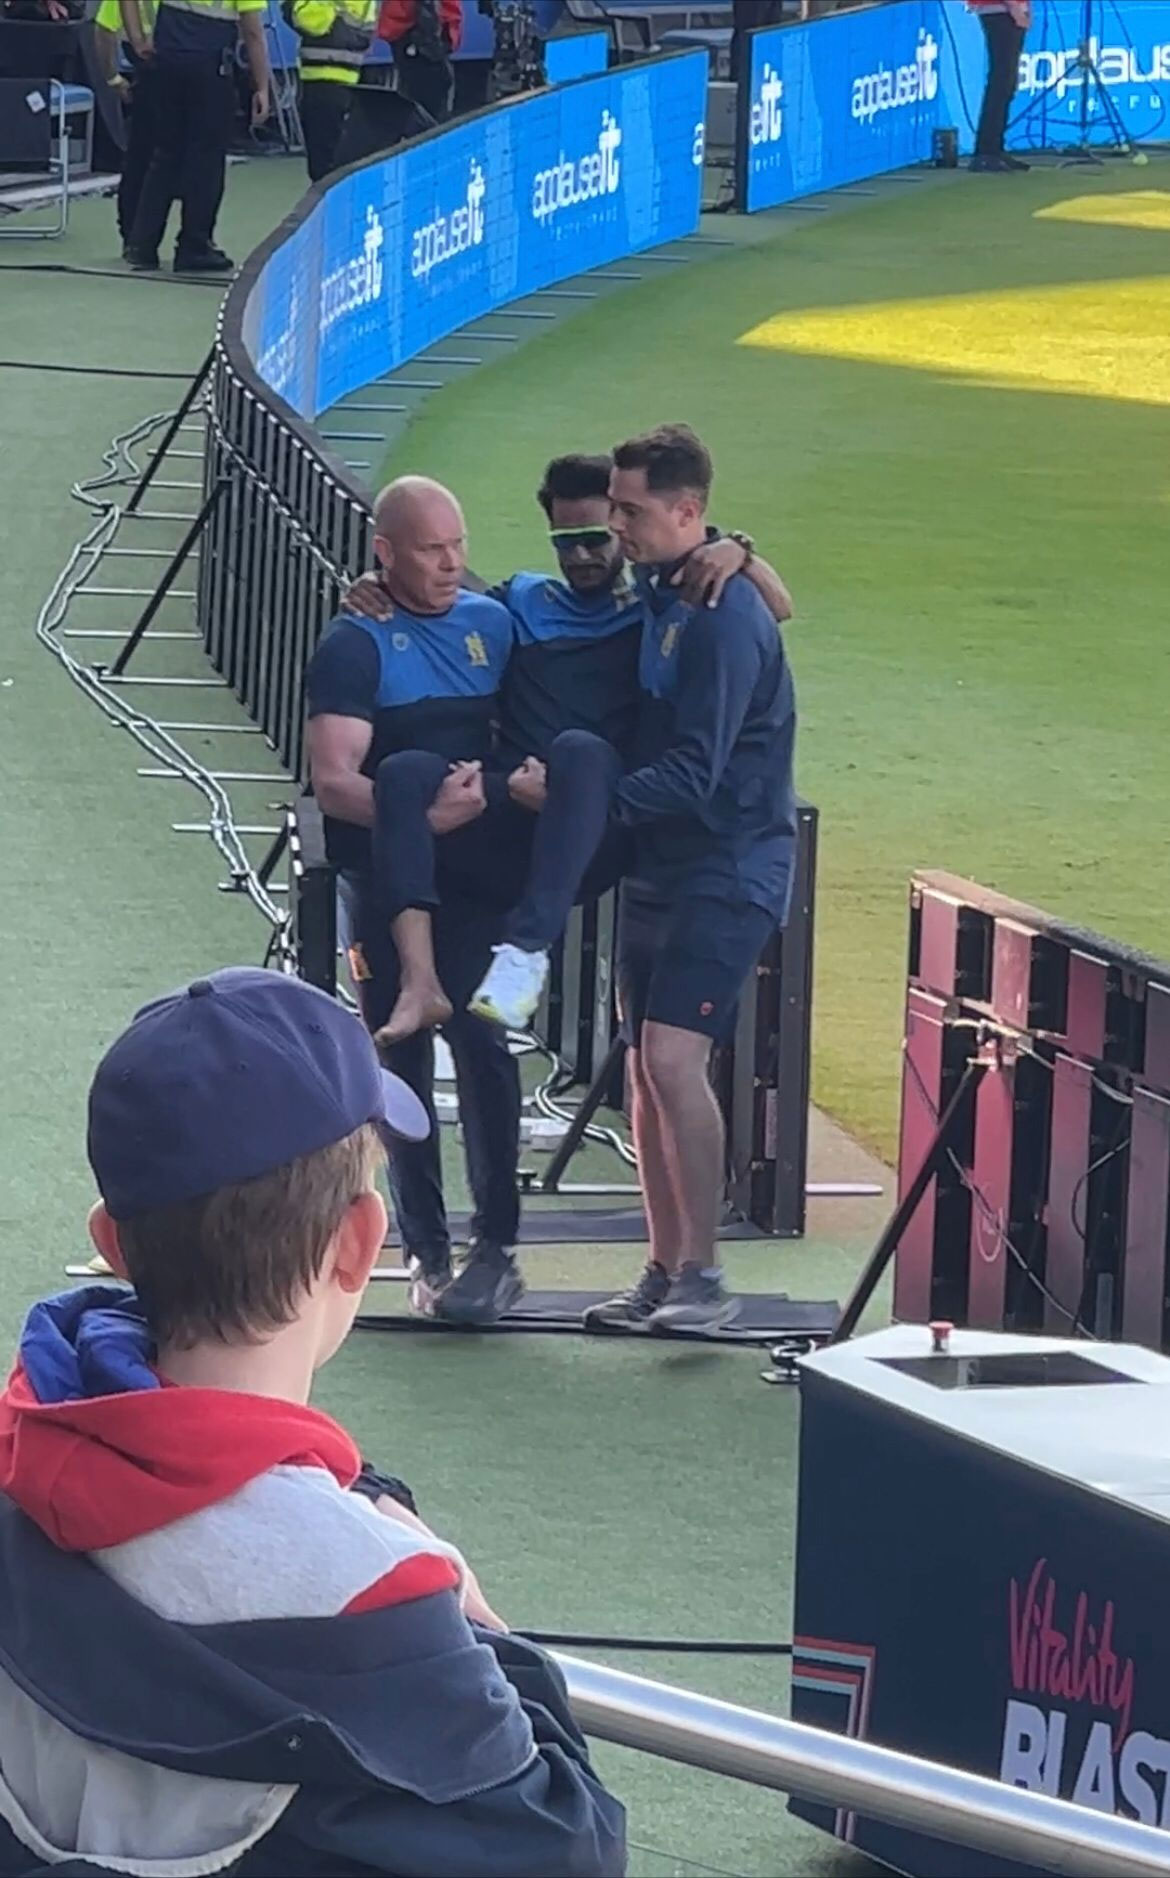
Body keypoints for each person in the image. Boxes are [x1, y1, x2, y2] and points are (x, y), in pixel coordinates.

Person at [0, 967, 625, 1877]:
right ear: (360, 1244)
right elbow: (564, 1845)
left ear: (113, 1243)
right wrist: (487, 1638)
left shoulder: (21, 1469)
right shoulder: (372, 1592)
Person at [346, 454, 792, 1047]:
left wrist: (737, 549)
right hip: (526, 801)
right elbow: (443, 607)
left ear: (619, 527)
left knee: (580, 749)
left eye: (595, 538)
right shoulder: (524, 601)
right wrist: (379, 584)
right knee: (403, 773)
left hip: (597, 814)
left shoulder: (654, 605)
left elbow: (777, 608)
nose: (582, 557)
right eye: (566, 542)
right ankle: (417, 979)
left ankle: (528, 950)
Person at [581, 424, 798, 1336]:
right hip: (668, 864)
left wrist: (576, 803)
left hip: (731, 864)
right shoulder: (674, 583)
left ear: (686, 510)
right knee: (641, 1070)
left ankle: (705, 1277)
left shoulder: (719, 613)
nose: (615, 526)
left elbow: (695, 772)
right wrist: (737, 550)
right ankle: (664, 1270)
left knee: (673, 1059)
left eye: (631, 511)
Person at [305, 476, 524, 1329]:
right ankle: (426, 1250)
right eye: (431, 549)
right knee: (399, 1061)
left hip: (484, 891)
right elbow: (333, 782)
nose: (451, 563)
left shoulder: (494, 623)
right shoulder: (355, 646)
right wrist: (419, 819)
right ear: (385, 554)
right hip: (388, 890)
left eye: (459, 545)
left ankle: (498, 1247)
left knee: (491, 1046)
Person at [122, 0, 270, 274]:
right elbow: (252, 32)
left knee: (166, 152)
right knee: (207, 160)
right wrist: (262, 86)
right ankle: (194, 245)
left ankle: (141, 245)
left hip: (167, 57)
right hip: (210, 65)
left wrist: (137, 39)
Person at [288, 0, 376, 182]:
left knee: (322, 163)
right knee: (337, 155)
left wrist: (292, 5)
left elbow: (310, 20)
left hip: (323, 77)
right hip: (349, 76)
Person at [95, 0, 157, 256]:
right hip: (176, 77)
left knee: (140, 159)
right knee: (149, 160)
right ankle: (194, 240)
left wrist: (112, 77)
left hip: (149, 77)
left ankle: (135, 239)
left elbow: (104, 30)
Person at [968, 0, 1030, 173]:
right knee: (1001, 81)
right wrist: (1014, 6)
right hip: (998, 10)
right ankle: (986, 152)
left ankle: (994, 148)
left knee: (1006, 82)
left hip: (1008, 9)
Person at [376, 0, 460, 123]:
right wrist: (430, 40)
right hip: (420, 34)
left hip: (409, 29)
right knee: (431, 109)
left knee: (414, 103)